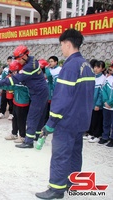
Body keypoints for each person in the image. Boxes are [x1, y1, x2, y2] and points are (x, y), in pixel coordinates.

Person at [35, 29, 95, 199]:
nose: (61, 49)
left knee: (61, 154)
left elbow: (61, 98)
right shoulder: (86, 65)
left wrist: (51, 122)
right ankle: (72, 183)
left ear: (68, 44)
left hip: (67, 121)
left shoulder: (70, 67)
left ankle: (56, 189)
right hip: (81, 120)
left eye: (61, 45)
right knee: (75, 152)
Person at [0, 45, 48, 148]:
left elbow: (14, 80)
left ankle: (28, 142)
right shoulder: (31, 61)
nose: (18, 62)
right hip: (39, 92)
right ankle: (36, 136)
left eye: (19, 59)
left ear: (25, 56)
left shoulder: (29, 67)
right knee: (39, 116)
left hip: (39, 93)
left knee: (32, 117)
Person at [1, 60, 30, 142]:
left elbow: (11, 87)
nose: (12, 73)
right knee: (15, 118)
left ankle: (22, 136)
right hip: (16, 101)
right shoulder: (17, 77)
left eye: (14, 71)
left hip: (23, 103)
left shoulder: (22, 79)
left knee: (21, 120)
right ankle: (14, 134)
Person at [83, 60, 106, 143]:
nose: (96, 69)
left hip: (97, 104)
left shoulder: (103, 79)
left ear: (103, 69)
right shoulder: (93, 77)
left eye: (98, 67)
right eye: (95, 67)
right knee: (91, 118)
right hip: (90, 102)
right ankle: (90, 133)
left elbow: (101, 93)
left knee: (97, 119)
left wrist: (98, 104)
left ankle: (97, 135)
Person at [98, 62, 113, 147]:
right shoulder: (108, 78)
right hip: (106, 106)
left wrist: (110, 102)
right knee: (106, 122)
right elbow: (103, 90)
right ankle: (105, 136)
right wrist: (105, 101)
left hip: (111, 105)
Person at [44, 56, 61, 122]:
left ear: (56, 62)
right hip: (48, 92)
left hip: (55, 92)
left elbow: (50, 79)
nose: (50, 63)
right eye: (49, 61)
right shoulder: (49, 69)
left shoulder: (59, 70)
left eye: (51, 61)